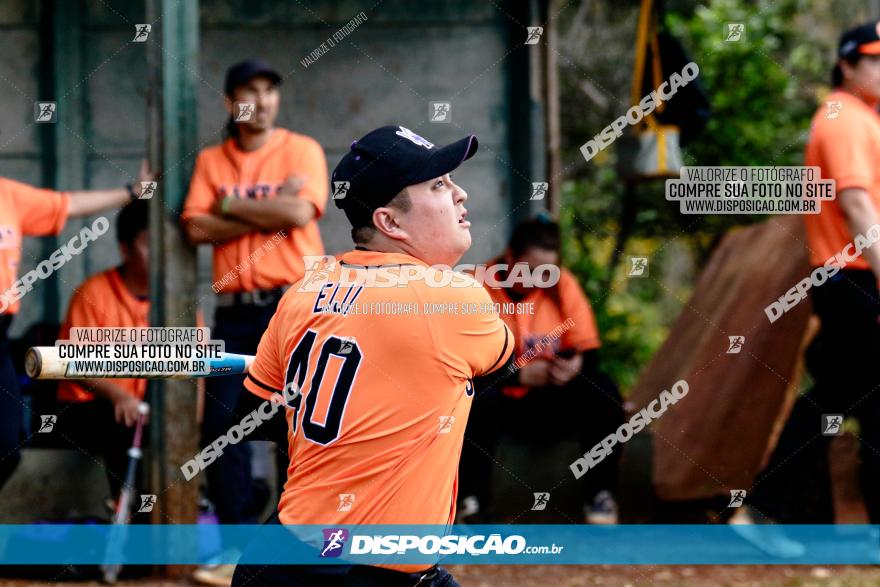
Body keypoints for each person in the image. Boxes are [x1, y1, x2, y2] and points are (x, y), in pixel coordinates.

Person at [231, 125, 513, 586]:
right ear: (390, 223)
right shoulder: (451, 298)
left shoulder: (305, 290)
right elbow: (498, 372)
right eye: (439, 184)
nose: (460, 193)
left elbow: (254, 415)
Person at [180, 58, 328, 585]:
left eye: (270, 89)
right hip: (235, 311)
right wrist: (262, 201)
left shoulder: (302, 148)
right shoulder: (211, 160)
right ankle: (236, 550)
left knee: (302, 424)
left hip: (296, 304)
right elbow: (195, 228)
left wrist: (229, 204)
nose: (262, 100)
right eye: (250, 91)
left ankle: (300, 547)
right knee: (222, 427)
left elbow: (298, 215)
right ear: (230, 102)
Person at [738, 22, 880, 531]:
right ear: (846, 63)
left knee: (841, 394)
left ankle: (779, 512)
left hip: (851, 280)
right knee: (849, 396)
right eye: (875, 59)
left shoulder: (861, 118)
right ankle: (775, 511)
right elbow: (859, 206)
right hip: (855, 277)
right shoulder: (844, 120)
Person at [458, 217, 623, 524]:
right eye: (533, 271)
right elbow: (461, 364)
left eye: (548, 271)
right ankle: (473, 503)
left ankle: (601, 497)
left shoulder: (562, 285)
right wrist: (518, 376)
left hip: (550, 403)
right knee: (477, 397)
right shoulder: (475, 286)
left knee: (604, 388)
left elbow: (589, 350)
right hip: (501, 406)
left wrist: (575, 367)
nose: (540, 279)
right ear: (511, 258)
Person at [0, 164, 152, 493]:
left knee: (6, 449)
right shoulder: (96, 293)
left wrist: (130, 192)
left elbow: (65, 204)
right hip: (86, 408)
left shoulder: (7, 194)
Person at [55, 199, 152, 513]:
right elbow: (75, 361)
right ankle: (127, 514)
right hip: (87, 407)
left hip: (145, 409)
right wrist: (119, 396)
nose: (162, 255)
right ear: (125, 249)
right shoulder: (93, 292)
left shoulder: (177, 297)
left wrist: (195, 421)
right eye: (150, 244)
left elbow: (197, 367)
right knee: (122, 419)